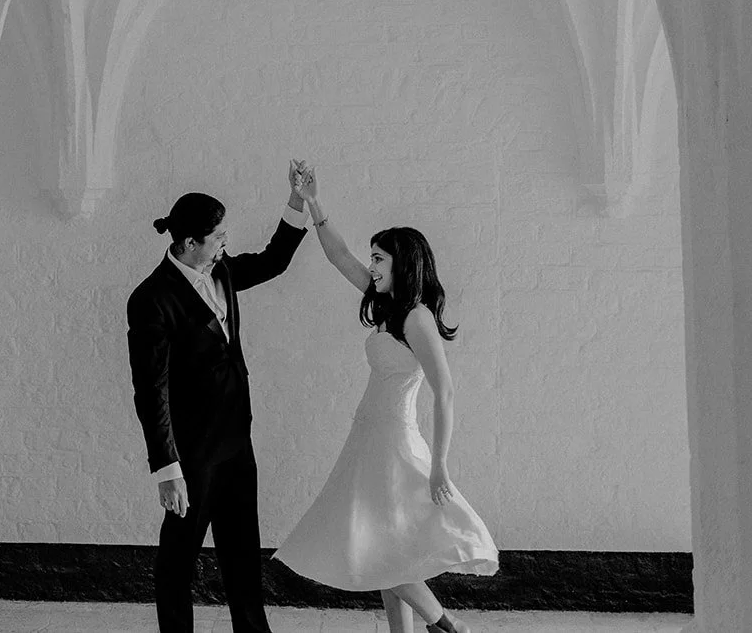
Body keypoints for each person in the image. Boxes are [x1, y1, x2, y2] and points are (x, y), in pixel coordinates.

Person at [274, 163, 497, 633]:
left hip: (394, 440)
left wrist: (439, 463)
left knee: (383, 548)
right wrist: (313, 201)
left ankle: (446, 624)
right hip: (367, 437)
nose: (371, 265)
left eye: (380, 259)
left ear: (403, 263)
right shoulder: (384, 305)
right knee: (381, 547)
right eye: (373, 257)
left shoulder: (416, 318)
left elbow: (446, 391)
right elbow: (339, 256)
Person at [126, 164, 309, 633]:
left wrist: (297, 200)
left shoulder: (222, 270)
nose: (225, 244)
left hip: (237, 439)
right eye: (218, 238)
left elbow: (273, 260)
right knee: (178, 561)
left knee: (243, 550)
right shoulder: (152, 299)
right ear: (189, 243)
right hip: (193, 453)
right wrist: (168, 470)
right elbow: (151, 391)